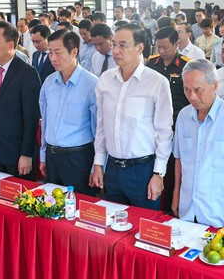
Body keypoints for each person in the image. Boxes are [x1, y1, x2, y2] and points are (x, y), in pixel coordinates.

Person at [90, 24, 173, 209]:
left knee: (143, 229)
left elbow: (164, 132)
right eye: (113, 44)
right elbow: (102, 126)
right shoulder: (105, 80)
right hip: (112, 168)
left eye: (123, 45)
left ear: (140, 47)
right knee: (112, 228)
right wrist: (98, 163)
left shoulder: (157, 82)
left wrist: (158, 174)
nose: (116, 51)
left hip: (142, 170)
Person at [172, 59, 224, 227]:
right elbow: (179, 159)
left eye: (198, 90)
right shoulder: (183, 116)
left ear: (215, 85)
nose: (192, 97)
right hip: (188, 208)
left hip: (219, 211)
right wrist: (176, 194)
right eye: (187, 90)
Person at [39, 30, 98, 194]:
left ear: (74, 52)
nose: (53, 58)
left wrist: (97, 166)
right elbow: (46, 123)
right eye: (50, 53)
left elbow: (99, 130)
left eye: (58, 53)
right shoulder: (49, 83)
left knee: (78, 209)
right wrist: (43, 155)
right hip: (52, 157)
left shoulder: (91, 84)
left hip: (78, 159)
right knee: (53, 209)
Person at [0, 21, 41, 179]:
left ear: (10, 44)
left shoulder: (27, 73)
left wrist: (26, 154)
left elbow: (31, 118)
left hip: (17, 151)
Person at [146, 27, 191, 211]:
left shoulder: (186, 65)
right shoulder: (151, 63)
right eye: (159, 47)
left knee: (172, 168)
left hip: (176, 125)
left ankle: (171, 206)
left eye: (166, 47)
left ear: (176, 44)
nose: (162, 51)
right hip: (152, 124)